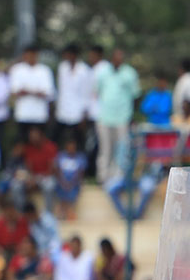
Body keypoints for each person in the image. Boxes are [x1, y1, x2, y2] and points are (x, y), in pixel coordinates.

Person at [93, 47, 138, 181]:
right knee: (105, 148)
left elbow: (135, 95)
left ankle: (119, 177)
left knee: (122, 148)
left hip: (122, 118)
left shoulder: (130, 73)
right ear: (112, 58)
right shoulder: (102, 72)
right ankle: (103, 177)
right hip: (104, 117)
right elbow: (98, 92)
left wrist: (131, 117)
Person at [8, 43, 55, 140]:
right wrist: (36, 92)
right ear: (24, 55)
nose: (31, 57)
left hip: (40, 115)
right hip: (23, 114)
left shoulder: (45, 71)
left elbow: (49, 93)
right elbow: (14, 91)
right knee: (22, 142)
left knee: (40, 142)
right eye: (28, 54)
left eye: (33, 54)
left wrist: (27, 91)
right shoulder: (17, 69)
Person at [53, 44, 94, 154]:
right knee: (56, 138)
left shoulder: (84, 70)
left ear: (75, 55)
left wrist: (84, 114)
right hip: (62, 109)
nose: (67, 57)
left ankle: (80, 165)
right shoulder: (62, 67)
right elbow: (60, 89)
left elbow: (86, 93)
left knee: (78, 140)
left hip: (78, 111)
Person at [171, 57, 190, 125]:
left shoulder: (189, 80)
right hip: (180, 117)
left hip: (186, 119)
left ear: (181, 68)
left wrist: (185, 118)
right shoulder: (183, 79)